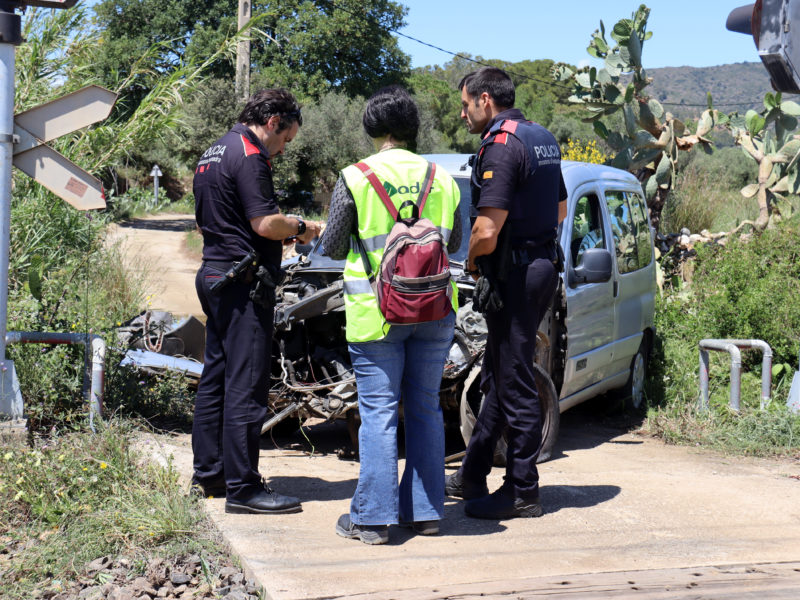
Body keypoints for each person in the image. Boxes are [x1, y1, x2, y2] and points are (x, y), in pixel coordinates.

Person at [322, 85, 462, 544]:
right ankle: (424, 513)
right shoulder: (440, 177)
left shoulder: (356, 176)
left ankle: (372, 519)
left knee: (379, 412)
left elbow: (332, 246)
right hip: (437, 308)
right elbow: (455, 242)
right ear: (411, 128)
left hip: (375, 313)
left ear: (371, 128)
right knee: (424, 409)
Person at [191, 88, 321, 514]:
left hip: (213, 274)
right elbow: (265, 223)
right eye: (286, 140)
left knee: (216, 378)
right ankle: (244, 488)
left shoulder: (213, 151)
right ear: (272, 123)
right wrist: (302, 227)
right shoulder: (249, 156)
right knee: (246, 386)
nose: (284, 150)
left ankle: (210, 476)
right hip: (243, 283)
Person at [445, 67, 564, 519]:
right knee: (500, 372)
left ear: (485, 100)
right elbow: (560, 206)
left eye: (465, 104)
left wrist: (474, 262)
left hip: (513, 274)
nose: (463, 113)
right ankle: (472, 474)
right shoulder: (541, 136)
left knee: (514, 381)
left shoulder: (501, 143)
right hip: (539, 266)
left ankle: (522, 490)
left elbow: (487, 229)